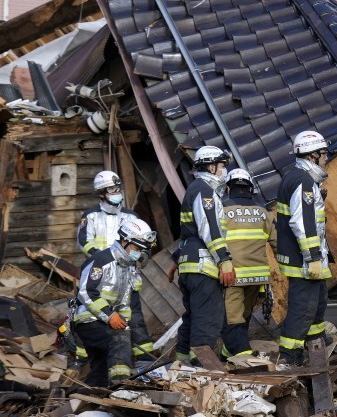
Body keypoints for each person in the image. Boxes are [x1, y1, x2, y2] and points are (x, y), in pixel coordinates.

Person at [72, 219, 156, 386]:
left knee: (102, 367)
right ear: (124, 241)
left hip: (104, 321)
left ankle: (87, 398)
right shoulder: (102, 260)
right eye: (137, 248)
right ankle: (121, 387)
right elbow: (86, 292)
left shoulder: (127, 267)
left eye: (141, 250)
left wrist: (125, 323)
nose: (138, 254)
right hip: (88, 320)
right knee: (119, 340)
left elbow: (124, 302)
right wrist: (110, 316)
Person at [276, 131, 333, 366]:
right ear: (312, 156)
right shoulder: (303, 182)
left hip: (305, 258)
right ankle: (289, 358)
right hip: (304, 260)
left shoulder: (298, 178)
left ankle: (316, 343)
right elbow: (303, 222)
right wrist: (313, 258)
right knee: (304, 310)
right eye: (324, 153)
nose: (326, 157)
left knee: (317, 306)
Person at [176, 146, 234, 366]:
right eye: (222, 166)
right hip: (203, 265)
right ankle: (202, 368)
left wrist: (175, 260)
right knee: (208, 318)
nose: (224, 171)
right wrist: (224, 260)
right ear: (211, 167)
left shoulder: (194, 189)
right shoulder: (204, 191)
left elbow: (186, 232)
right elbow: (209, 228)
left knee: (192, 317)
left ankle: (182, 365)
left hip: (189, 265)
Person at [217, 169, 275, 359]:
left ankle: (245, 357)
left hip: (232, 275)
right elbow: (276, 242)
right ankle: (228, 352)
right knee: (245, 313)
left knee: (232, 318)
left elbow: (213, 242)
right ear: (251, 189)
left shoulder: (222, 212)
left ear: (228, 188)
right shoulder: (264, 213)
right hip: (258, 276)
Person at [77, 171, 138, 257]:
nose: (117, 191)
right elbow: (84, 242)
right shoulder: (90, 216)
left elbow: (139, 243)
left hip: (126, 267)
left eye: (118, 187)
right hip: (98, 266)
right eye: (111, 189)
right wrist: (99, 256)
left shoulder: (132, 217)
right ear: (101, 193)